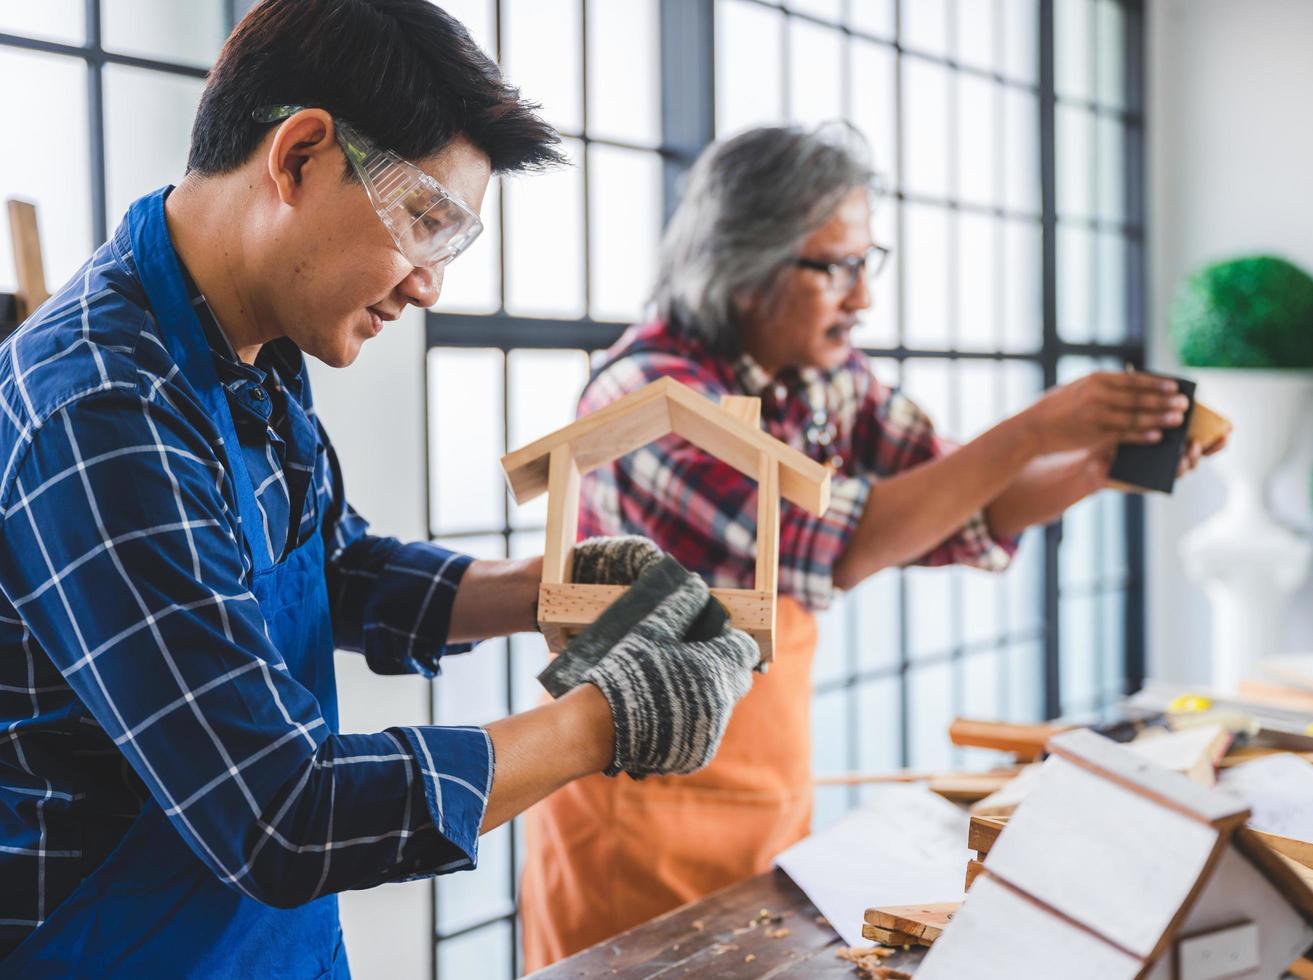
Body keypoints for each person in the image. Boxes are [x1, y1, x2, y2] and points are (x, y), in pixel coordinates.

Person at [0, 2, 758, 975]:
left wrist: (544, 588)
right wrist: (605, 717)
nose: (430, 285)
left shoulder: (250, 347)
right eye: (426, 223)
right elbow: (279, 812)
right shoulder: (97, 409)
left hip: (278, 947)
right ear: (301, 156)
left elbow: (334, 564)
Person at [519, 123, 1228, 967]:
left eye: (867, 262)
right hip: (628, 802)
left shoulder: (818, 376)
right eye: (836, 267)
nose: (862, 298)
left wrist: (1097, 462)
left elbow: (959, 492)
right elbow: (834, 544)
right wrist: (1034, 426)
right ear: (746, 266)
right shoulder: (644, 397)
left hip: (760, 787)